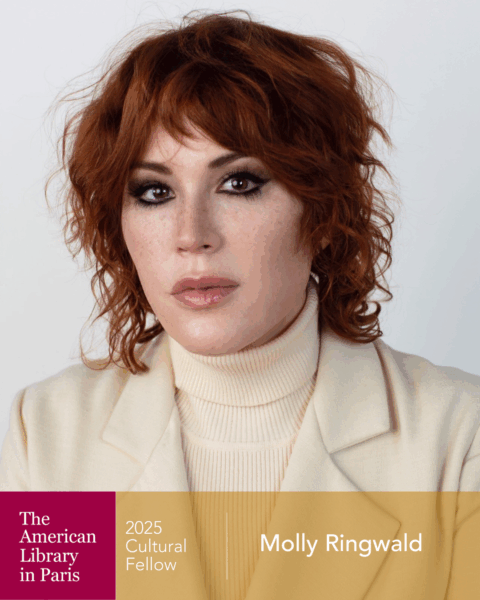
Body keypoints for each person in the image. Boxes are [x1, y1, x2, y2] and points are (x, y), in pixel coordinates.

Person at [1, 11, 479, 598]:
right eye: (154, 191)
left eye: (239, 183)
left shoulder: (459, 437)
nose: (191, 235)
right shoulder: (47, 435)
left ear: (322, 210)